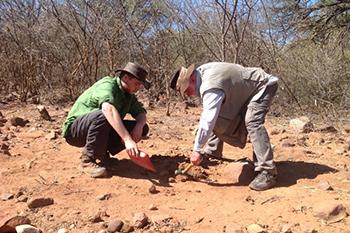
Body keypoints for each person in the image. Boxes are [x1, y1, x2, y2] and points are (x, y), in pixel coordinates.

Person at [170, 62, 278, 191]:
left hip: (263, 86)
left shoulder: (210, 84)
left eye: (187, 90)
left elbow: (208, 118)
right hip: (245, 93)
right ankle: (213, 152)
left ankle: (267, 172)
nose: (188, 94)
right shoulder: (201, 74)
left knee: (252, 121)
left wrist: (197, 149)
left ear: (191, 78)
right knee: (217, 115)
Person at [62, 62, 151, 178]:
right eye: (137, 83)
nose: (138, 88)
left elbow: (141, 113)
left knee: (143, 127)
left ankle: (103, 156)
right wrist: (127, 139)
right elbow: (107, 109)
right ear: (125, 78)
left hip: (96, 128)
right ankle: (87, 160)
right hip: (75, 130)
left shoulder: (128, 95)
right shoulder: (108, 85)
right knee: (104, 115)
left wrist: (139, 126)